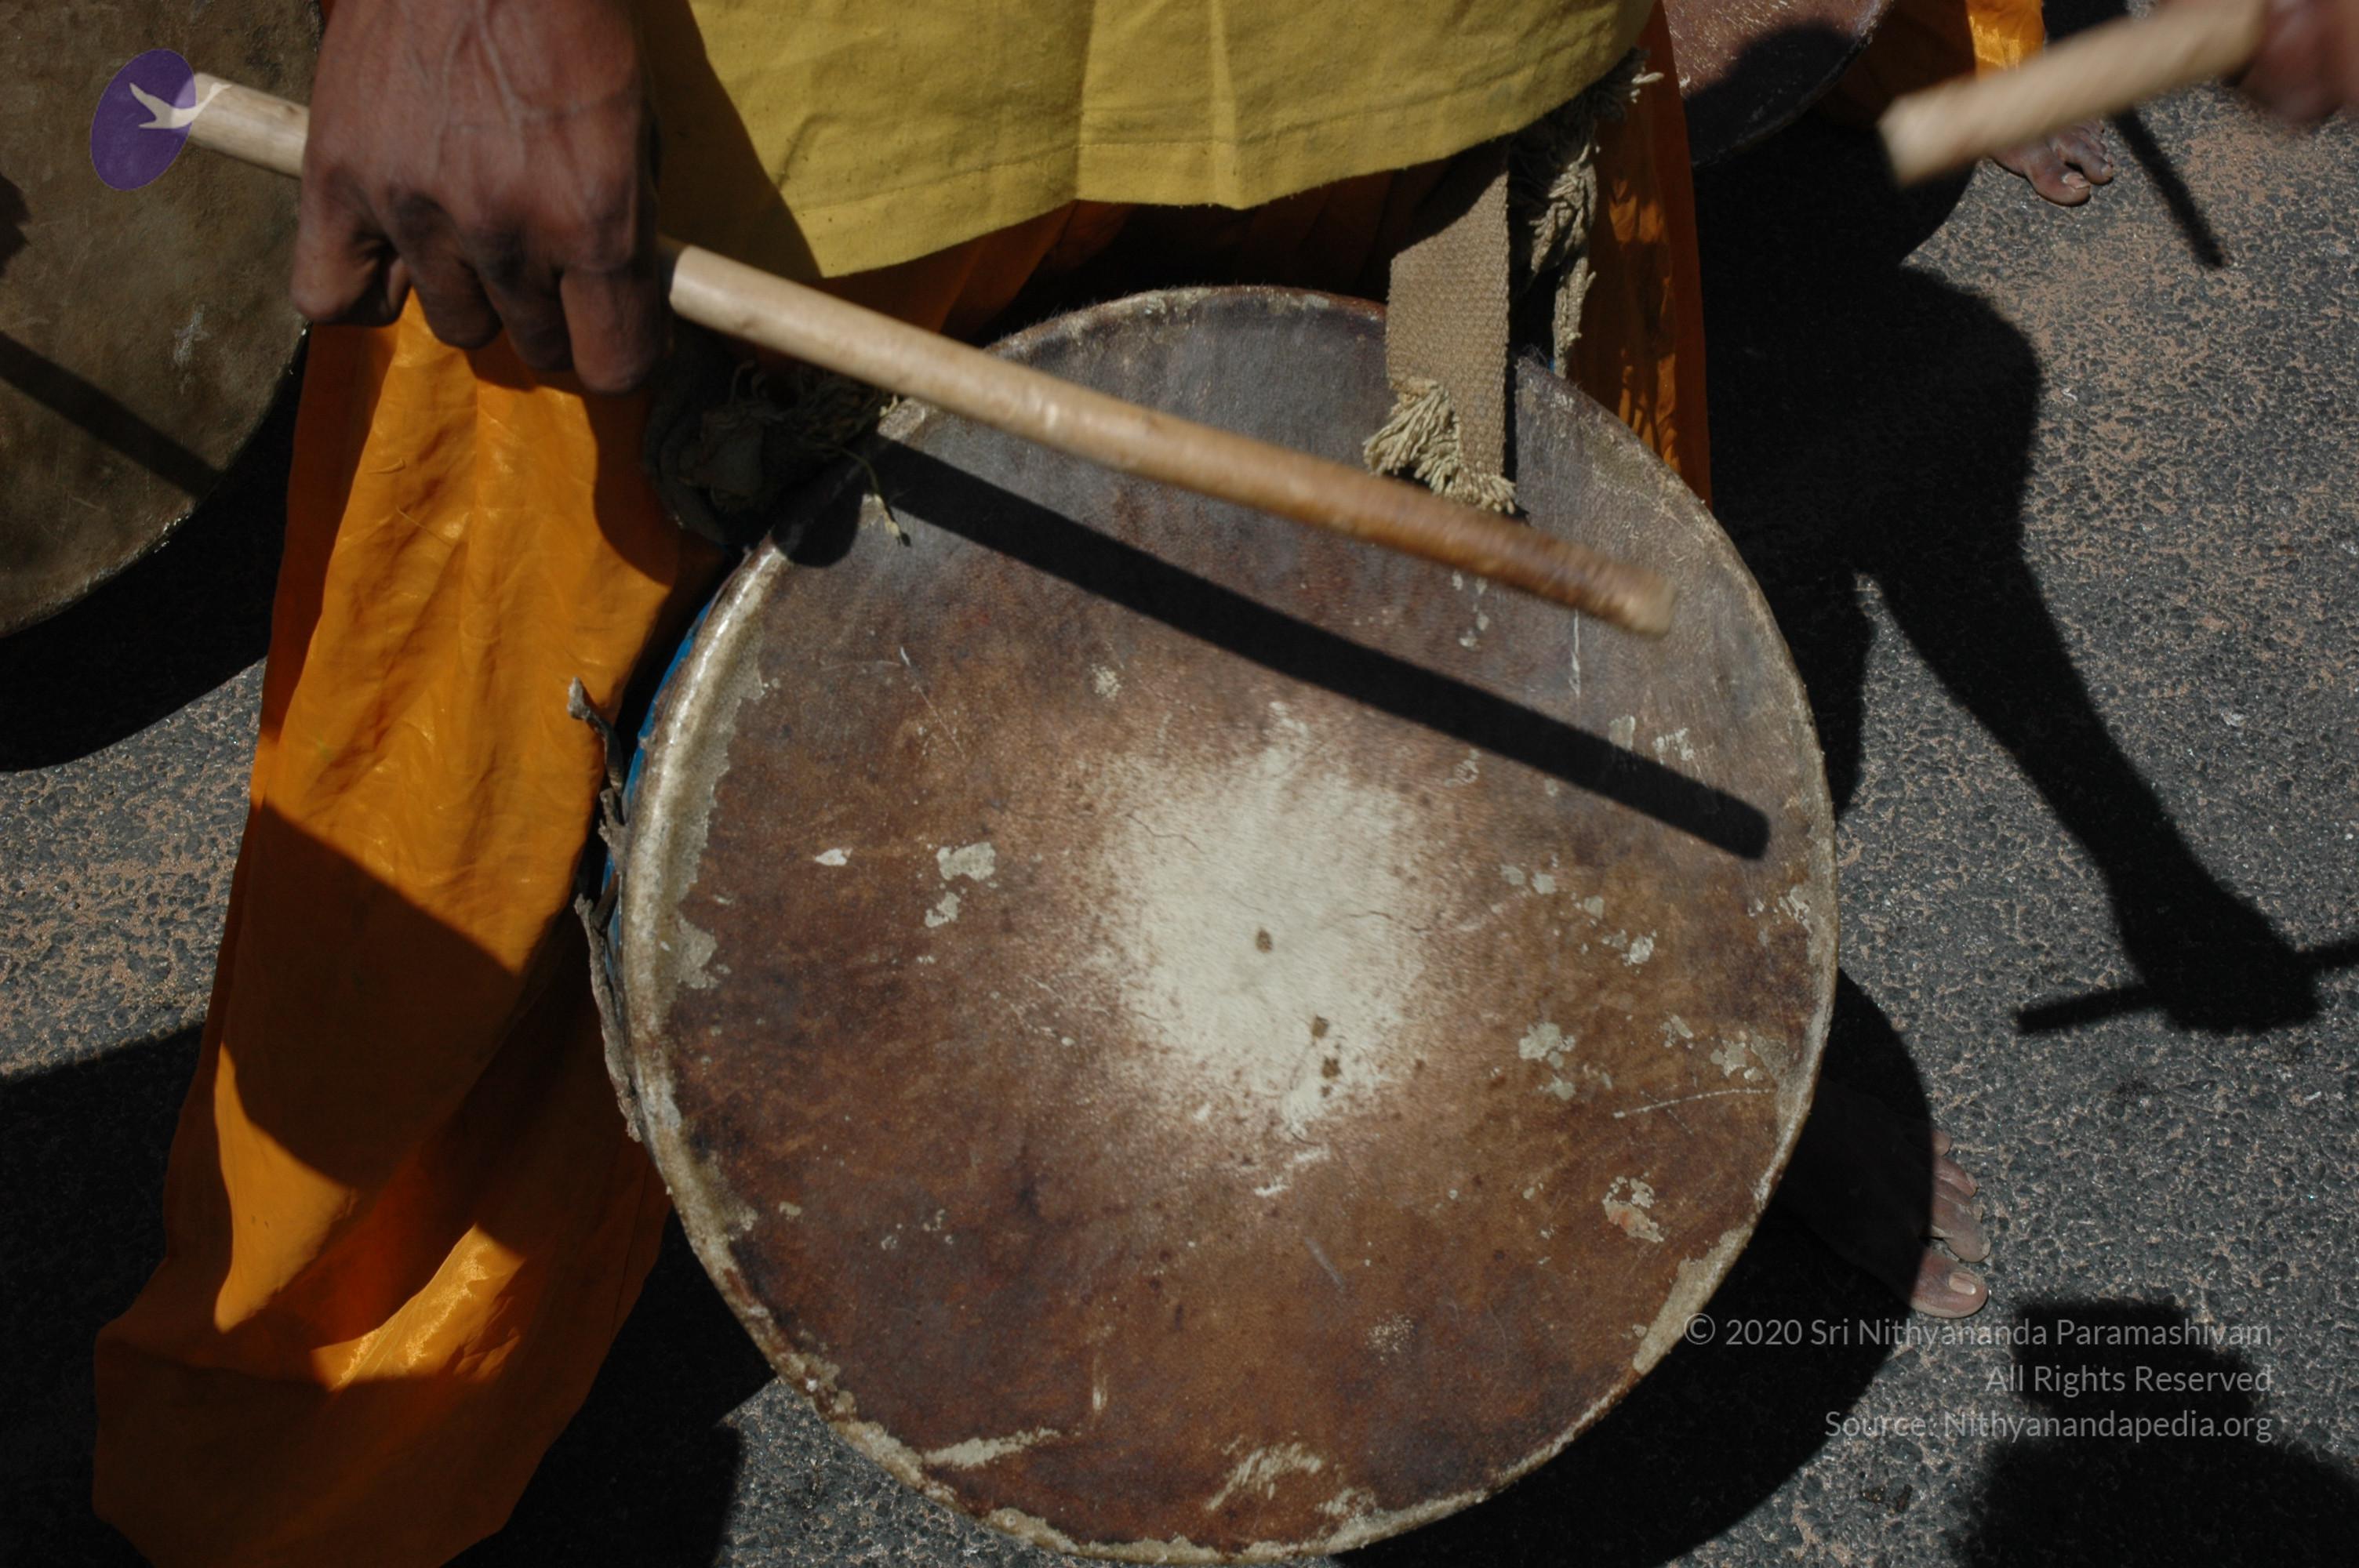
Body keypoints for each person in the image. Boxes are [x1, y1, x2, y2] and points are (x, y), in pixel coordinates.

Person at [91, 1, 2356, 1563]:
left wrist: (2147, 858)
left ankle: (1649, 1068)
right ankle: (295, 1496)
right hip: (801, 82)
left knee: (1482, 634)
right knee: (449, 905)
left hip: (1437, 61)